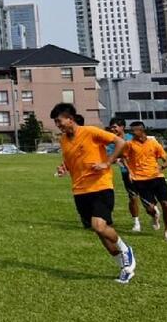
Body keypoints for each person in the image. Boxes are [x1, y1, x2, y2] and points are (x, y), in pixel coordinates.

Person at [50, 102, 137, 284]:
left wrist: (107, 162)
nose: (57, 125)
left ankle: (125, 250)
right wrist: (63, 168)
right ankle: (124, 267)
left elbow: (120, 142)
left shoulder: (90, 131)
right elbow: (70, 160)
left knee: (99, 226)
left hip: (100, 186)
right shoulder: (63, 140)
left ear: (70, 119)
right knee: (100, 232)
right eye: (56, 122)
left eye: (59, 121)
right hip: (80, 190)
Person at [124, 121, 167, 241]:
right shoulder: (129, 144)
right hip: (140, 180)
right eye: (131, 130)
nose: (132, 133)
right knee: (150, 209)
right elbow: (123, 158)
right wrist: (130, 172)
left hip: (157, 178)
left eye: (134, 130)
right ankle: (154, 216)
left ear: (141, 130)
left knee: (166, 204)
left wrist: (161, 167)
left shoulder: (154, 143)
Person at [107, 118, 143, 231]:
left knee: (147, 197)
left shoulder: (131, 138)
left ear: (122, 127)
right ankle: (136, 222)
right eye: (111, 127)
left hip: (142, 171)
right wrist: (116, 159)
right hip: (126, 173)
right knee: (133, 197)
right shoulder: (111, 141)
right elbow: (110, 158)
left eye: (114, 126)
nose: (112, 129)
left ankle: (153, 212)